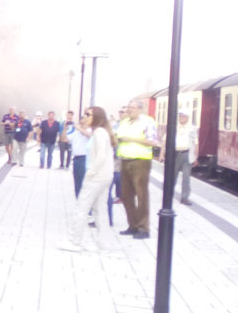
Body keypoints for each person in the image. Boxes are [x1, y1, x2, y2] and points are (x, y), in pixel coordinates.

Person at [60, 106, 118, 252]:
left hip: (96, 177)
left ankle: (75, 241)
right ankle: (105, 244)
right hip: (104, 176)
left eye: (88, 114)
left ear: (97, 117)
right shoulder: (102, 132)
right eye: (85, 114)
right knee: (100, 211)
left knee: (82, 208)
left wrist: (90, 173)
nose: (84, 117)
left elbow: (100, 156)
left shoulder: (98, 133)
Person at [116, 100, 158, 239]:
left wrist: (131, 139)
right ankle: (132, 225)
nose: (129, 110)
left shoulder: (148, 122)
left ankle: (143, 227)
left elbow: (152, 142)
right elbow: (119, 138)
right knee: (126, 195)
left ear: (140, 109)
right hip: (125, 160)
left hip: (140, 160)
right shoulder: (124, 122)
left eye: (132, 108)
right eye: (128, 107)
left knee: (141, 194)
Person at [158, 110, 198, 206]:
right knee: (172, 176)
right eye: (180, 116)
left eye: (183, 116)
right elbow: (164, 141)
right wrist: (161, 154)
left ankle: (184, 198)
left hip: (186, 154)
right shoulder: (173, 127)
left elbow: (196, 143)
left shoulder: (192, 128)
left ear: (188, 117)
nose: (181, 118)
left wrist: (196, 157)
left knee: (186, 177)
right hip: (174, 154)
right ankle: (168, 195)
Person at [67, 109, 92, 197]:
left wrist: (79, 129)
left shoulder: (90, 131)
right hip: (76, 159)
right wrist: (65, 128)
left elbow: (90, 136)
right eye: (81, 123)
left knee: (83, 183)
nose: (82, 124)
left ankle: (85, 205)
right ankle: (79, 202)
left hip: (85, 159)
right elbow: (64, 139)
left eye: (84, 122)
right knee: (77, 183)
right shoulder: (76, 133)